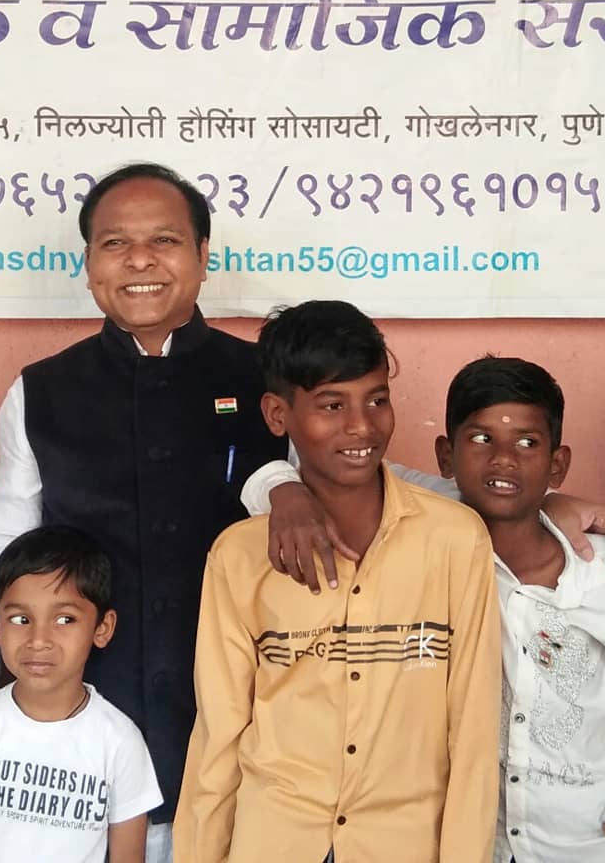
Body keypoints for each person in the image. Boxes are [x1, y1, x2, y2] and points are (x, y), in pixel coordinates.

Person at [0, 162, 605, 862]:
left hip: (252, 748)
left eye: (165, 240)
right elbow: (1, 541)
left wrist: (535, 503)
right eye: (115, 244)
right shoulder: (40, 392)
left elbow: (365, 471)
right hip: (85, 734)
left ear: (203, 255)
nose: (141, 261)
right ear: (88, 264)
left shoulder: (261, 374)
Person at [174, 301, 503, 863]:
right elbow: (219, 736)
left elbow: (473, 734)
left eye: (377, 400)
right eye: (332, 405)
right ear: (278, 416)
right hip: (272, 838)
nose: (361, 426)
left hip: (403, 843)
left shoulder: (454, 540)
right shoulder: (239, 556)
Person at [433, 356, 605, 863]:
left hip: (587, 840)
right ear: (446, 457)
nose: (504, 459)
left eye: (528, 443)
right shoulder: (430, 554)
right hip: (471, 842)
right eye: (481, 439)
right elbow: (358, 479)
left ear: (557, 465)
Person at [0, 525, 162, 863]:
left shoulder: (119, 742)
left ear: (102, 629)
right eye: (20, 619)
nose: (39, 639)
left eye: (64, 619)